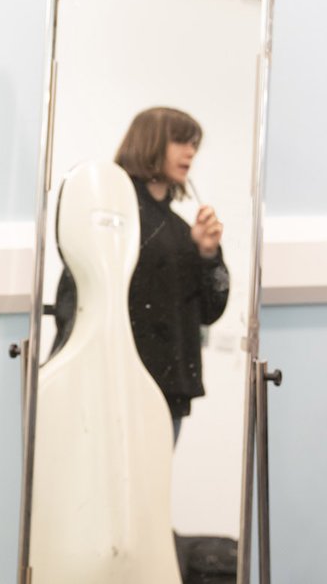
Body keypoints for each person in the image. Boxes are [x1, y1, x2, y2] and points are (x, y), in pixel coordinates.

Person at [114, 107, 229, 443]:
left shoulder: (180, 231)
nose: (190, 152)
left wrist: (206, 254)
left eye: (194, 144)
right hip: (122, 386)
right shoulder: (116, 211)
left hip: (168, 389)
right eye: (180, 141)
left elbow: (211, 310)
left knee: (150, 493)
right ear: (150, 143)